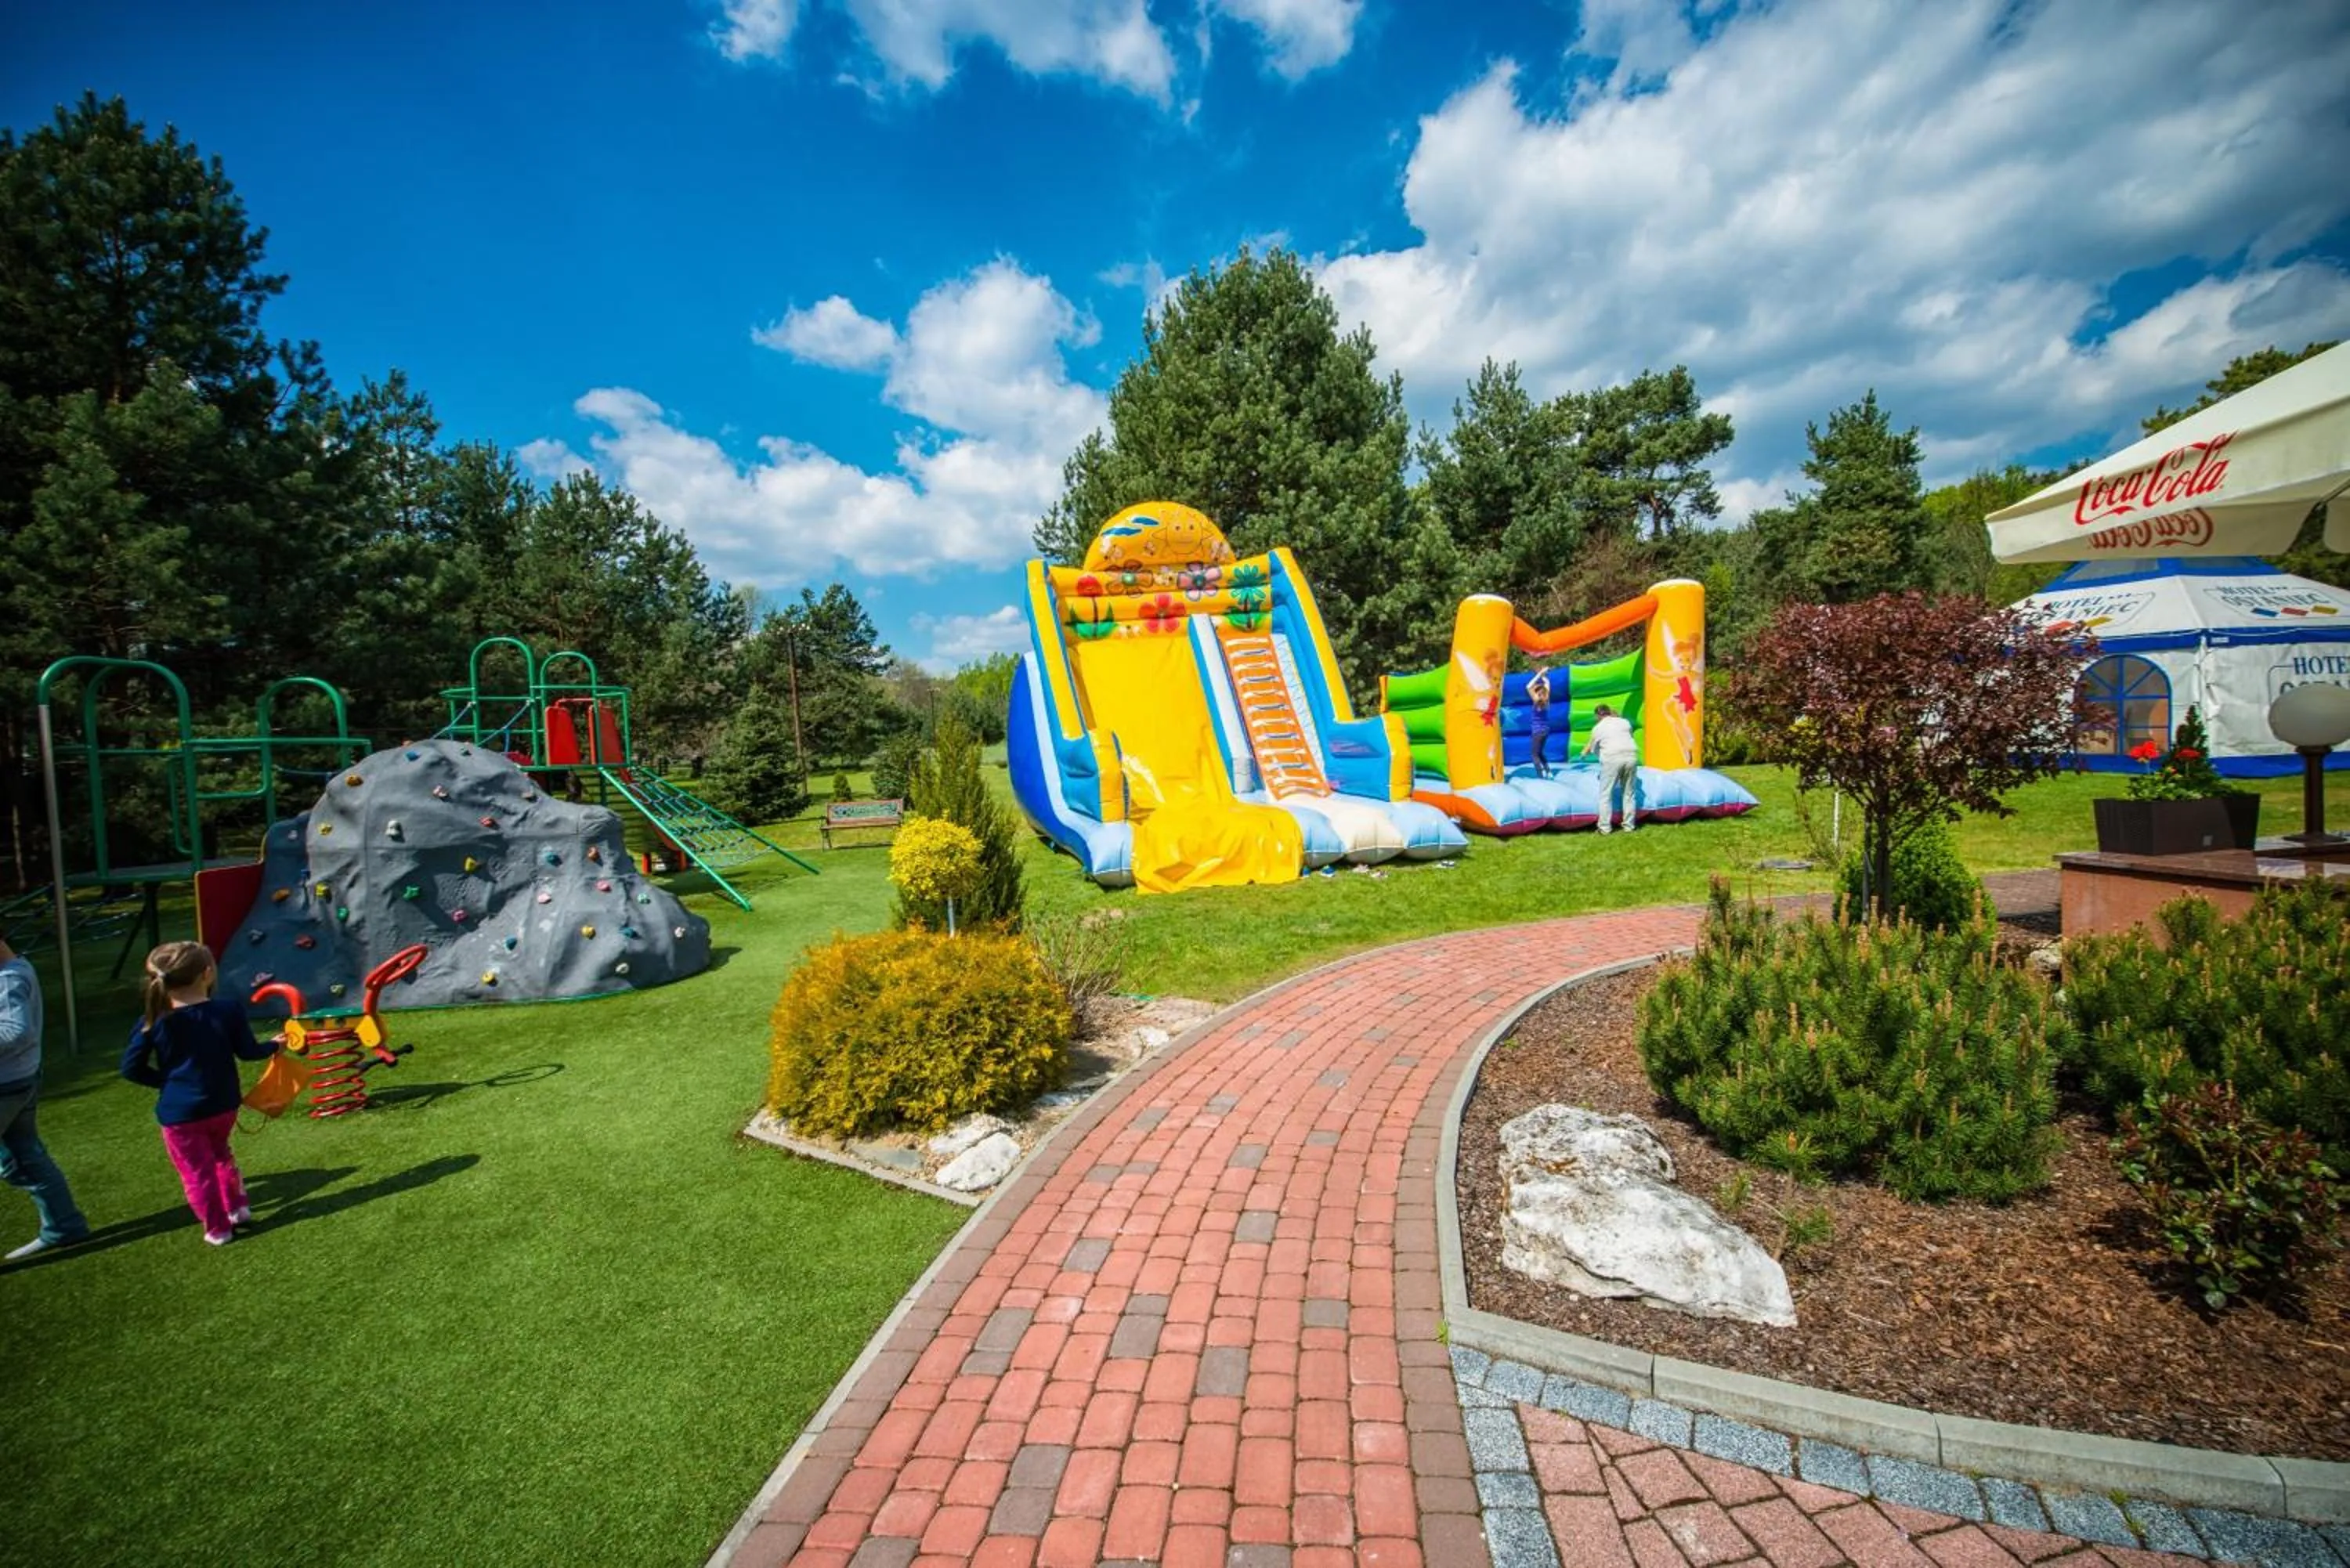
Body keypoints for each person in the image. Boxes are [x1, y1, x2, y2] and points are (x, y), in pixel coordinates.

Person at [121, 941, 280, 1246]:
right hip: (223, 1105)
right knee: (221, 1155)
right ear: (207, 974)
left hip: (182, 1114)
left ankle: (218, 1228)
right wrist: (275, 1045)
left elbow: (131, 1068)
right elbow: (248, 1052)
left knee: (197, 1172)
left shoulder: (153, 1021)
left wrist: (167, 1083)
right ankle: (238, 1209)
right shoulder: (227, 1010)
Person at [1, 926, 91, 1262]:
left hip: (7, 1085)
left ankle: (64, 1225)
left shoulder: (8, 979)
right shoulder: (16, 969)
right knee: (24, 1153)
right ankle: (64, 1225)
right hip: (19, 1079)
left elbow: (15, 1031)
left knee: (22, 1156)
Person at [1582, 702, 1641, 833]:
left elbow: (1592, 748)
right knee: (1629, 794)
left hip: (1613, 758)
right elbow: (1628, 737)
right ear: (1609, 712)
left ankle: (1604, 828)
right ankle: (1629, 826)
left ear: (1598, 716)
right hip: (1631, 756)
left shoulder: (1598, 728)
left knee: (1605, 794)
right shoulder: (1624, 722)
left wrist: (1585, 755)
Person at [1526, 669, 1553, 780]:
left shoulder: (1537, 701)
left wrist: (1539, 674)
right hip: (1545, 731)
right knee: (1540, 752)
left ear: (1538, 693)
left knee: (1534, 754)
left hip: (1537, 732)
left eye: (1536, 691)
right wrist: (1543, 675)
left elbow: (1528, 686)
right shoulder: (1546, 700)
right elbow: (1547, 683)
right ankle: (1548, 771)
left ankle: (1540, 776)